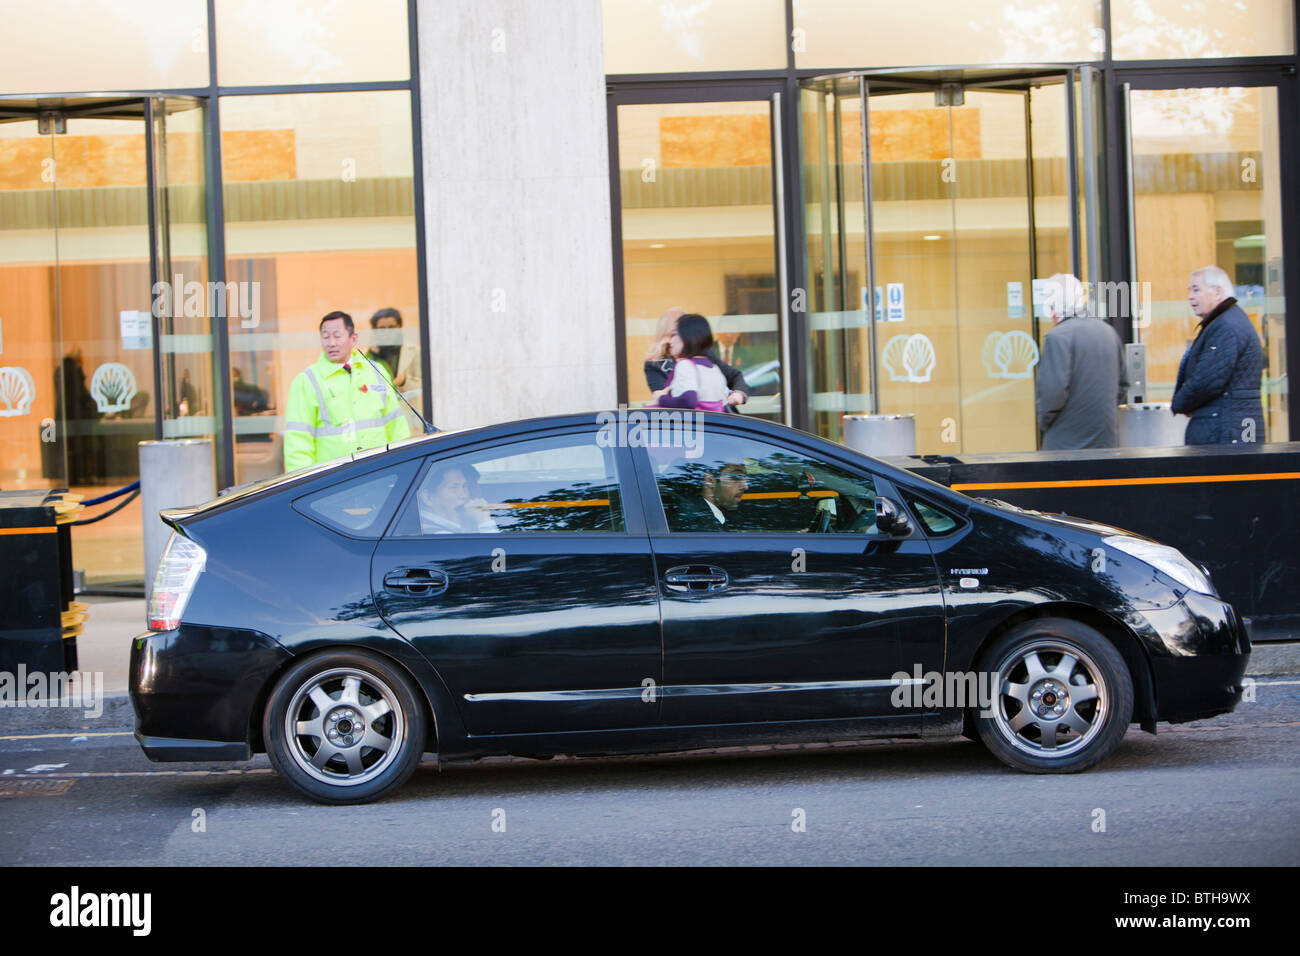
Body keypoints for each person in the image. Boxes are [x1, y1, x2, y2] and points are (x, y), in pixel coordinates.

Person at [283, 310, 410, 472]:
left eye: (337, 336)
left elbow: (397, 426)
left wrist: (405, 467)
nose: (331, 343)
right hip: (334, 480)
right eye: (326, 337)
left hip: (380, 473)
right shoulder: (306, 380)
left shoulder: (376, 371)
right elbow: (298, 440)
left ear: (353, 339)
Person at [1171, 265, 1265, 445]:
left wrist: (1180, 402)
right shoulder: (1227, 322)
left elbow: (1207, 380)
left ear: (1218, 292)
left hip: (1226, 430)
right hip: (1231, 426)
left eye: (1196, 290)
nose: (1190, 296)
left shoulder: (1226, 327)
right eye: (1189, 290)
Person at [1034, 273, 1128, 450]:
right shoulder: (1108, 332)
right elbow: (1122, 385)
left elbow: (1053, 394)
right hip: (1104, 441)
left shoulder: (1058, 337)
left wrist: (1044, 421)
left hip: (1065, 443)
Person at [643, 307, 748, 408]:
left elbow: (688, 400)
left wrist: (661, 398)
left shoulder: (704, 358)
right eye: (673, 334)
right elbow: (676, 403)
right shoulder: (654, 364)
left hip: (711, 420)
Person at [369, 307, 425, 433]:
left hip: (409, 419)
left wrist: (405, 382)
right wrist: (373, 355)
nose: (387, 332)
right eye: (382, 329)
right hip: (381, 420)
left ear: (399, 327)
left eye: (391, 327)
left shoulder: (414, 351)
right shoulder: (370, 356)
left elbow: (425, 386)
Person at [417, 463, 498, 534]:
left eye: (465, 486)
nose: (464, 495)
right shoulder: (437, 534)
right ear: (428, 497)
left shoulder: (453, 529)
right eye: (453, 487)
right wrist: (484, 521)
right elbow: (495, 549)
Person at [673, 460, 750, 530]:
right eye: (738, 476)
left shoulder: (700, 518)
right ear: (710, 480)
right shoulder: (697, 525)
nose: (746, 486)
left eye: (745, 478)